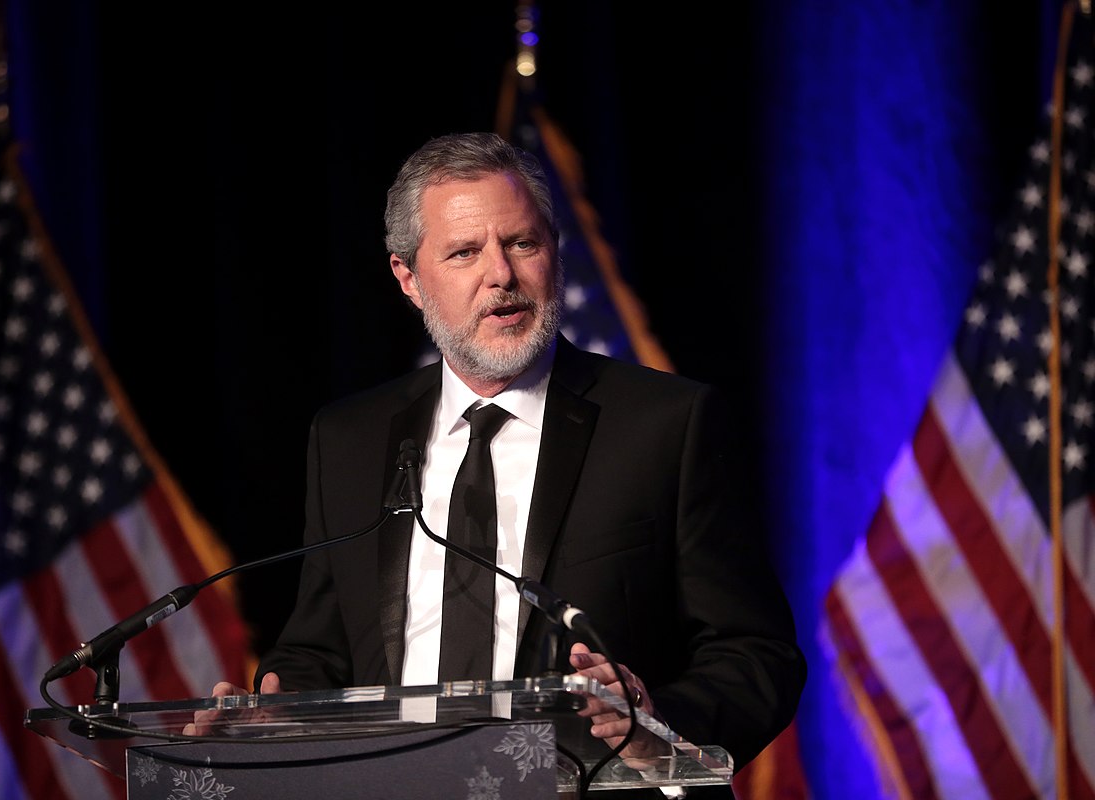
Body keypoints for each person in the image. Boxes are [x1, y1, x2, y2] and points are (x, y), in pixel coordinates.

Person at [198, 132, 805, 796]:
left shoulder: (665, 424)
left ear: (554, 250)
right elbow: (320, 648)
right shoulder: (350, 439)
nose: (501, 275)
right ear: (408, 278)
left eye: (521, 243)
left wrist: (653, 725)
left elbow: (758, 655)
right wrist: (278, 712)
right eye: (464, 252)